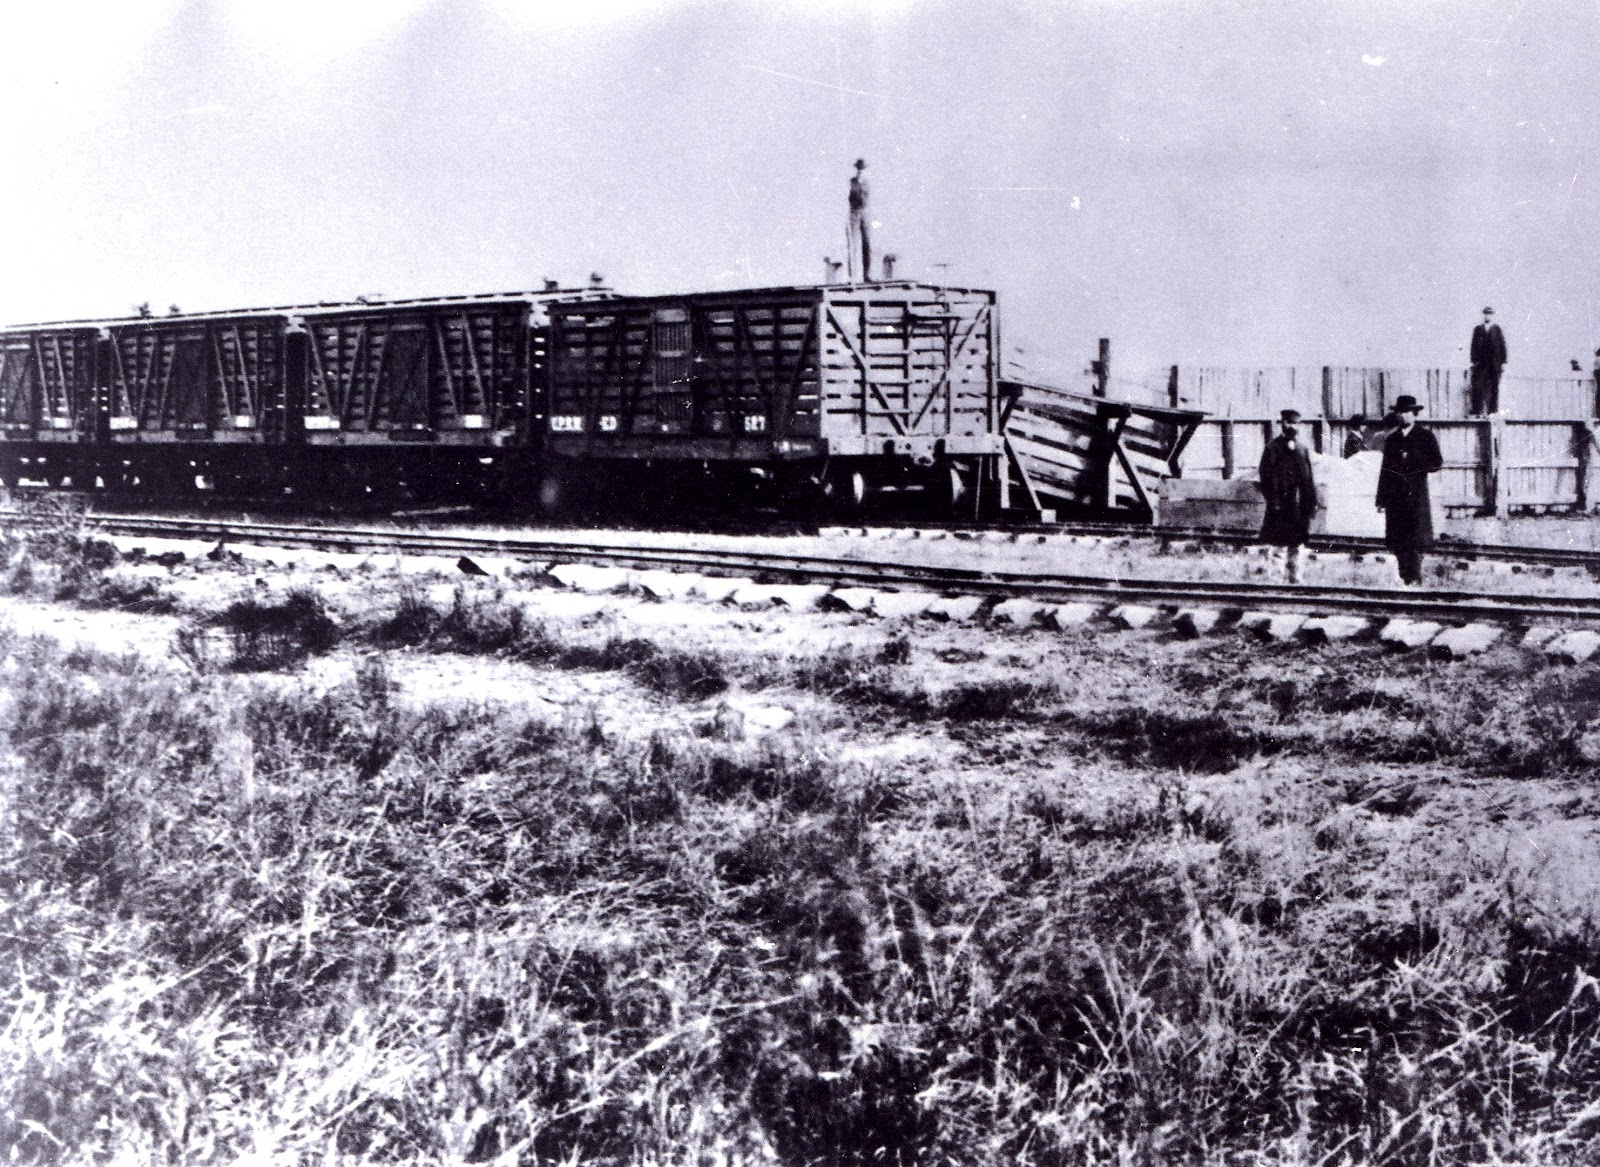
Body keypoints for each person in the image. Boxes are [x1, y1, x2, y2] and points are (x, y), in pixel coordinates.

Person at [1376, 395, 1443, 586]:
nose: (1403, 416)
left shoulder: (1425, 436)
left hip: (1416, 496)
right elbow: (1385, 471)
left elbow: (1436, 463)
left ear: (1414, 414)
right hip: (1395, 499)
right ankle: (1404, 577)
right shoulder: (1393, 439)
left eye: (1406, 412)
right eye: (1399, 412)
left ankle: (1414, 577)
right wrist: (1381, 500)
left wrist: (1414, 461)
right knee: (1397, 539)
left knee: (1415, 539)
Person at [1258, 408, 1318, 581]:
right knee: (1278, 546)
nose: (1292, 426)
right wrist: (1274, 501)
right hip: (1280, 506)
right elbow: (1266, 478)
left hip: (1299, 508)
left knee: (1297, 546)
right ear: (1282, 424)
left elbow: (1308, 479)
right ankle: (1276, 582)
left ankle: (1295, 580)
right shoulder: (1272, 449)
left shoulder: (1303, 449)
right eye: (1288, 422)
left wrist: (1311, 503)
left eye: (1295, 423)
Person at [1469, 306, 1507, 415]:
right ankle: (1478, 411)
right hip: (1481, 364)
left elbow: (1502, 345)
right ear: (1483, 315)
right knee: (1478, 386)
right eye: (1486, 314)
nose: (1487, 316)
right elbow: (1473, 346)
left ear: (1492, 315)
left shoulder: (1497, 329)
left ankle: (1492, 411)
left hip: (1494, 364)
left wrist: (1503, 362)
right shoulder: (1478, 329)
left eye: (1490, 314)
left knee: (1494, 388)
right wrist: (1474, 360)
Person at [847, 159, 871, 281]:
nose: (860, 171)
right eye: (859, 169)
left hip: (865, 213)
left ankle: (867, 274)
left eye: (862, 169)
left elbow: (868, 198)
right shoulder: (852, 182)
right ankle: (853, 275)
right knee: (853, 244)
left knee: (867, 244)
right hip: (854, 212)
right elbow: (850, 198)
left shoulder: (867, 182)